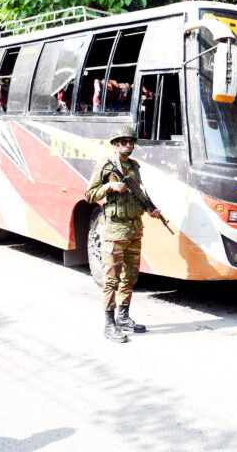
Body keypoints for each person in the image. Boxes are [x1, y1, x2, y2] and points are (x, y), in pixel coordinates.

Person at [84, 125, 161, 343]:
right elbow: (89, 195)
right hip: (115, 231)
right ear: (115, 144)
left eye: (132, 142)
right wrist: (110, 187)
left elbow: (139, 194)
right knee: (112, 279)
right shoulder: (105, 166)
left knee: (130, 276)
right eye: (124, 142)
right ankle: (109, 325)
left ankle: (123, 316)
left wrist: (150, 209)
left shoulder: (135, 167)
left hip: (134, 229)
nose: (129, 146)